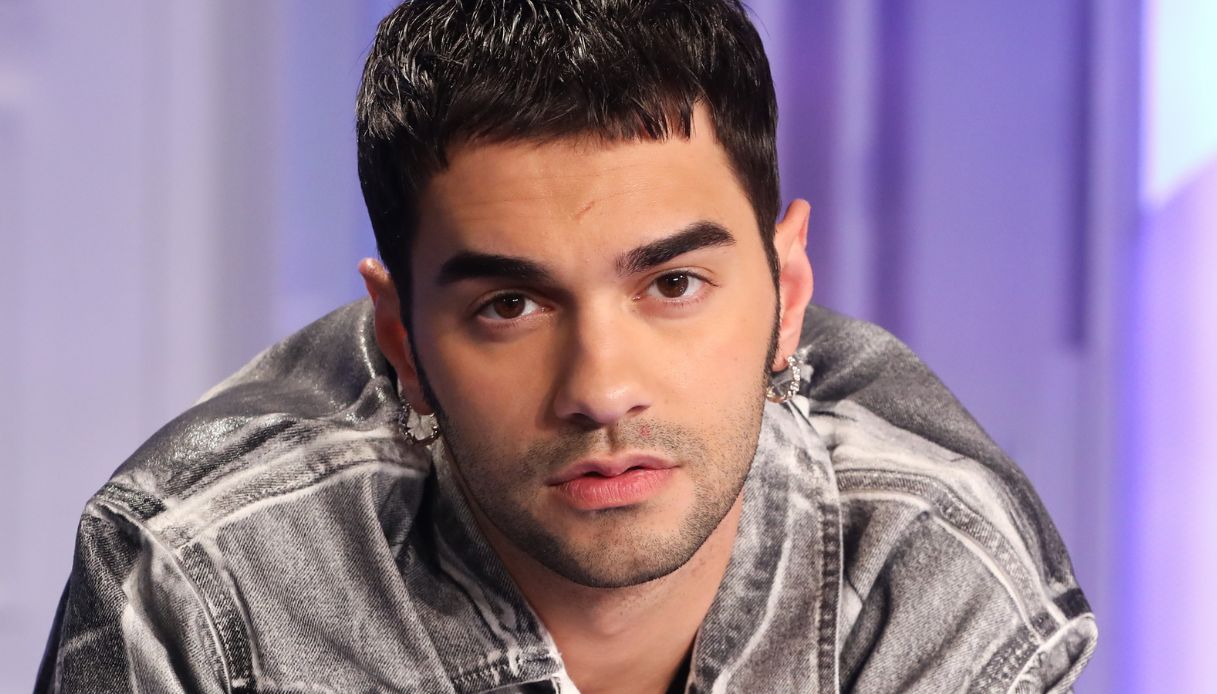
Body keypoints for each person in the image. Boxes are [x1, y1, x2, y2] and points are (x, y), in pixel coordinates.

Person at [37, 1, 1097, 692]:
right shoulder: (202, 582)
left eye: (672, 285)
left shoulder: (927, 568)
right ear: (401, 340)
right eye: (510, 305)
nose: (600, 388)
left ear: (787, 296)